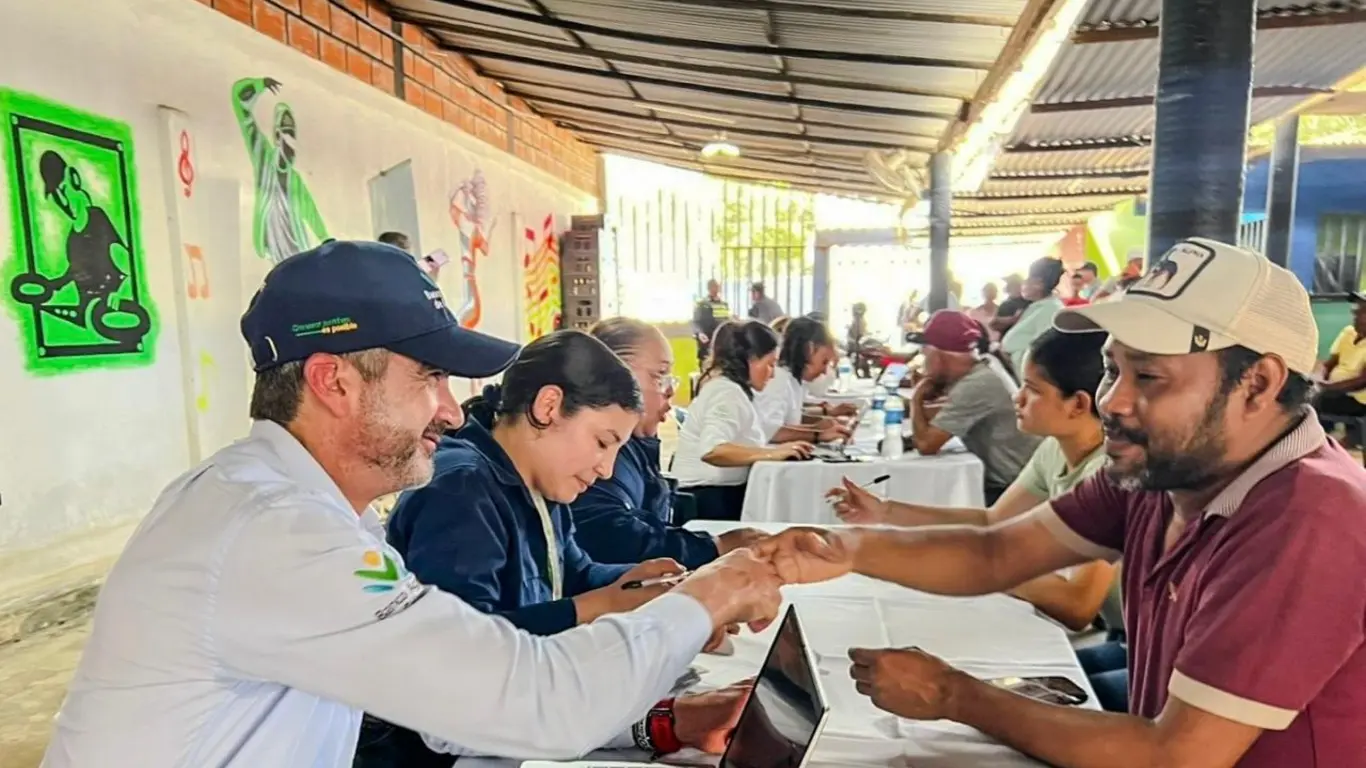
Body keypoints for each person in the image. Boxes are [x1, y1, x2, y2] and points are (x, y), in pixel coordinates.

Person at [41, 241, 787, 768]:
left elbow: (461, 709)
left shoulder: (307, 511)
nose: (451, 411)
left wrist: (656, 720)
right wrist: (708, 594)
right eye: (429, 376)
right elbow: (530, 697)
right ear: (336, 381)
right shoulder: (273, 531)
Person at [758, 239, 1366, 768]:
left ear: (1256, 383)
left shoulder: (1309, 518)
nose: (1113, 402)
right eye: (1111, 370)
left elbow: (1174, 755)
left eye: (1148, 378)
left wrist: (954, 695)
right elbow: (998, 550)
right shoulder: (1166, 470)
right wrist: (843, 548)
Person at [830, 329, 1123, 708]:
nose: (1017, 398)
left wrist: (984, 566)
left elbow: (1076, 605)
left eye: (1032, 390)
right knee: (1004, 683)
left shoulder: (1109, 472)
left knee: (1016, 705)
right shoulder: (1057, 449)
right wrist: (885, 512)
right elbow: (992, 523)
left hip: (1164, 658)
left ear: (1079, 405)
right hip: (1127, 636)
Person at [571, 317, 767, 568]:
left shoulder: (637, 444)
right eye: (659, 375)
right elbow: (612, 536)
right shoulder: (606, 450)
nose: (670, 390)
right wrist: (713, 546)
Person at [673, 320, 813, 520]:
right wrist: (772, 454)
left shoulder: (734, 390)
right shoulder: (726, 392)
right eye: (770, 364)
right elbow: (713, 450)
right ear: (749, 359)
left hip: (717, 495)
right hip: (706, 499)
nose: (772, 374)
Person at [905, 311, 1041, 504]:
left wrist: (915, 399)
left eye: (924, 352)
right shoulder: (985, 366)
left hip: (1013, 488)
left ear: (938, 355)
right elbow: (939, 414)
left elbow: (926, 445)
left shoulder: (977, 384)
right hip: (1018, 480)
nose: (922, 359)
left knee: (926, 499)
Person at [232, 76, 329, 263]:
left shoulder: (294, 179)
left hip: (295, 248)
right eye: (285, 132)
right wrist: (259, 85)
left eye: (292, 133)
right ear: (276, 135)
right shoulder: (264, 160)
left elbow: (310, 210)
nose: (289, 140)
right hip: (272, 250)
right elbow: (241, 106)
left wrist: (325, 238)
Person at [753, 316, 855, 444]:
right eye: (824, 362)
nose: (824, 371)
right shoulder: (778, 380)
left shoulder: (792, 380)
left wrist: (821, 422)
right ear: (809, 350)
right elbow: (771, 430)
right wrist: (817, 434)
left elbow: (790, 417)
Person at [1001, 257, 1066, 376]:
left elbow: (1041, 352)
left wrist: (1009, 357)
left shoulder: (1051, 310)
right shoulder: (1037, 306)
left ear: (1039, 283)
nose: (1024, 283)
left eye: (1028, 279)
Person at [1314, 292, 1366, 439]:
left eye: (1362, 311)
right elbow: (1329, 363)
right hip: (1336, 391)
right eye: (1356, 310)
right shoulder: (1348, 332)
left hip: (1357, 399)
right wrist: (1319, 379)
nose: (1355, 314)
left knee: (1313, 399)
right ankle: (1323, 435)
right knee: (1305, 390)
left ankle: (1316, 440)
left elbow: (1361, 382)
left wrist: (1326, 387)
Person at [692, 278, 731, 365]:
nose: (716, 289)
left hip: (722, 343)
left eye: (717, 287)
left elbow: (726, 321)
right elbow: (696, 322)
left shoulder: (723, 304)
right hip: (707, 342)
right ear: (709, 288)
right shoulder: (702, 304)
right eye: (713, 287)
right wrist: (700, 333)